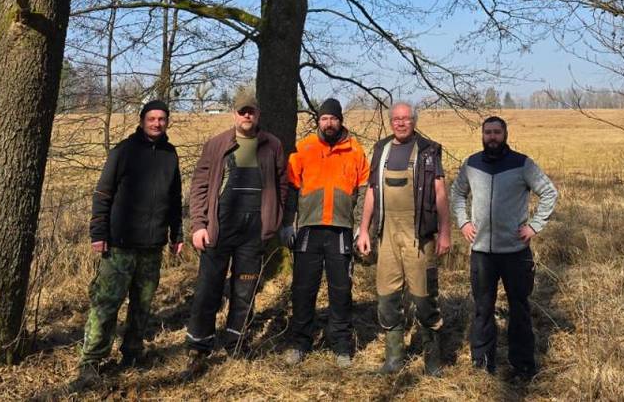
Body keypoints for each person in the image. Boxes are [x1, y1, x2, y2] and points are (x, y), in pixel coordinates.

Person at [73, 99, 182, 390]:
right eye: (152, 118)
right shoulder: (123, 152)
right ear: (142, 120)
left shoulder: (171, 156)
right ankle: (91, 362)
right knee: (106, 304)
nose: (157, 123)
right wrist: (98, 234)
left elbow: (175, 199)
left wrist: (177, 235)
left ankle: (133, 354)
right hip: (119, 245)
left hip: (152, 246)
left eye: (162, 119)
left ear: (167, 122)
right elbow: (103, 194)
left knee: (142, 306)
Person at [450, 115, 558, 380]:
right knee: (482, 308)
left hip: (515, 252)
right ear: (482, 135)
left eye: (497, 132)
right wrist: (463, 222)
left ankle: (522, 365)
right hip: (482, 254)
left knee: (519, 309)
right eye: (488, 132)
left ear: (505, 134)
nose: (492, 137)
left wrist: (533, 226)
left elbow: (549, 193)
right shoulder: (472, 164)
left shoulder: (522, 164)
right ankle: (482, 363)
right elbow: (456, 193)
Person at [185, 100, 287, 367]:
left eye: (251, 111)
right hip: (219, 228)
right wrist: (198, 225)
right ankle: (198, 344)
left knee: (245, 289)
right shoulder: (216, 144)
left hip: (254, 231)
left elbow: (282, 184)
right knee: (209, 287)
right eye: (242, 111)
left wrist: (274, 219)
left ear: (258, 114)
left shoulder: (272, 145)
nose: (246, 115)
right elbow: (199, 186)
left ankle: (236, 342)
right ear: (234, 114)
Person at [357, 102, 451, 375]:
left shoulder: (428, 150)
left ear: (414, 121)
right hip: (387, 234)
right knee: (386, 297)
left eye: (406, 119)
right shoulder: (381, 149)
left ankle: (433, 362)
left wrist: (445, 232)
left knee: (423, 298)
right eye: (396, 119)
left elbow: (440, 193)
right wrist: (364, 230)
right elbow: (372, 193)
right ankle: (394, 359)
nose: (400, 123)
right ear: (390, 121)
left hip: (418, 235)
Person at [281, 98, 370, 367]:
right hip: (309, 228)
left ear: (341, 120)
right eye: (324, 119)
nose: (328, 123)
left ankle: (341, 345)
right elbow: (292, 190)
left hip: (341, 230)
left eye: (333, 118)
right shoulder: (304, 148)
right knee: (302, 289)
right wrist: (288, 223)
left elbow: (365, 191)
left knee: (341, 290)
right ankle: (300, 343)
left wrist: (360, 228)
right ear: (318, 121)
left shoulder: (355, 150)